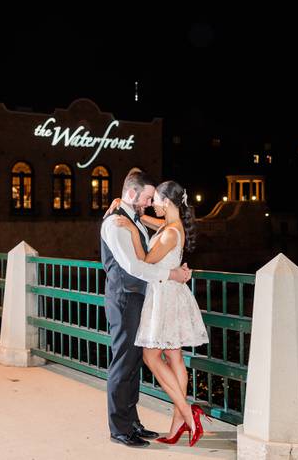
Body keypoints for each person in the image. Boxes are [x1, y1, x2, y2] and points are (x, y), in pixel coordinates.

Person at [108, 180, 210, 447]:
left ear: (166, 202)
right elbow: (149, 222)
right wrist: (129, 210)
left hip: (164, 296)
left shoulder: (169, 233)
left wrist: (131, 229)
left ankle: (187, 414)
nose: (151, 204)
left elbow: (143, 260)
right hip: (170, 293)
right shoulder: (170, 227)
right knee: (175, 357)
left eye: (155, 200)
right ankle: (179, 421)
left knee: (151, 355)